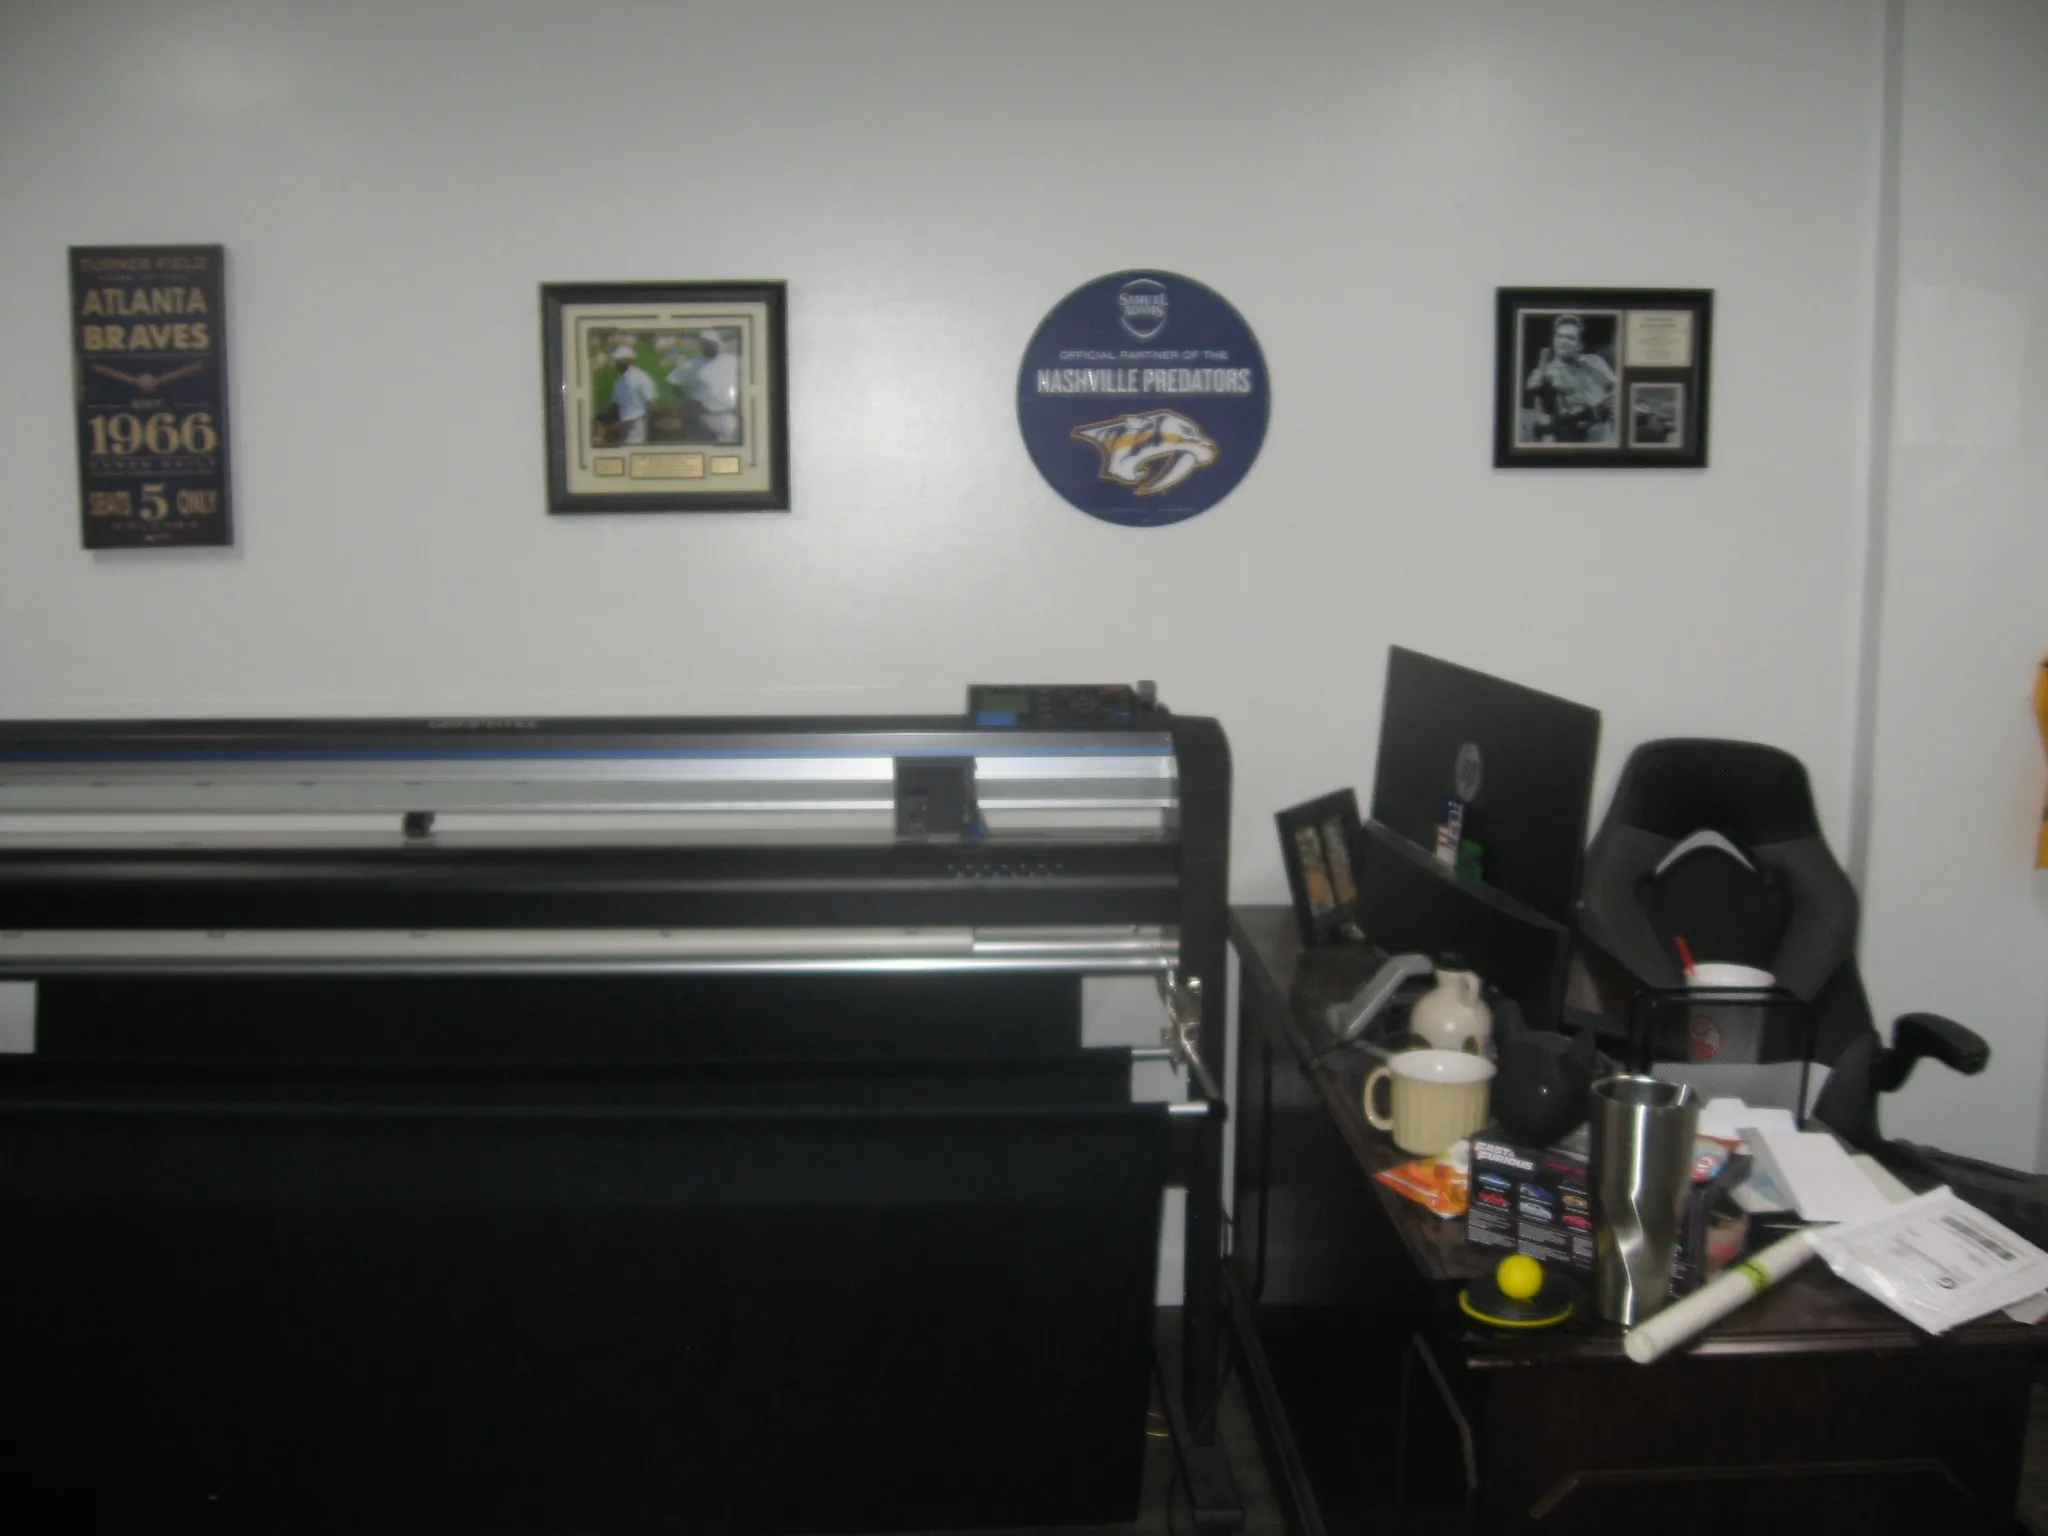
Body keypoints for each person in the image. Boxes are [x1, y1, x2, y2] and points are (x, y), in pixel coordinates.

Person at [1522, 314, 1616, 444]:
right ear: (1554, 340)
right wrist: (1541, 364)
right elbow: (1532, 387)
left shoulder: (1594, 361)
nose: (1563, 342)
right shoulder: (1548, 370)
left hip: (1601, 435)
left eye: (1570, 338)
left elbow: (1616, 388)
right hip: (1571, 436)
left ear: (1579, 345)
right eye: (1559, 336)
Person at [665, 331, 742, 444]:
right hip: (703, 417)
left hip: (729, 415)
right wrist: (685, 399)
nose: (708, 346)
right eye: (705, 344)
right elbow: (672, 380)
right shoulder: (694, 364)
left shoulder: (733, 362)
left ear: (718, 344)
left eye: (711, 344)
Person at [606, 342, 658, 445]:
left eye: (622, 361)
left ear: (630, 361)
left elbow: (651, 402)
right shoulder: (619, 380)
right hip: (624, 421)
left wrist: (650, 424)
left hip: (637, 421)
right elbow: (615, 403)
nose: (619, 364)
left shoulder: (641, 377)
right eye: (618, 361)